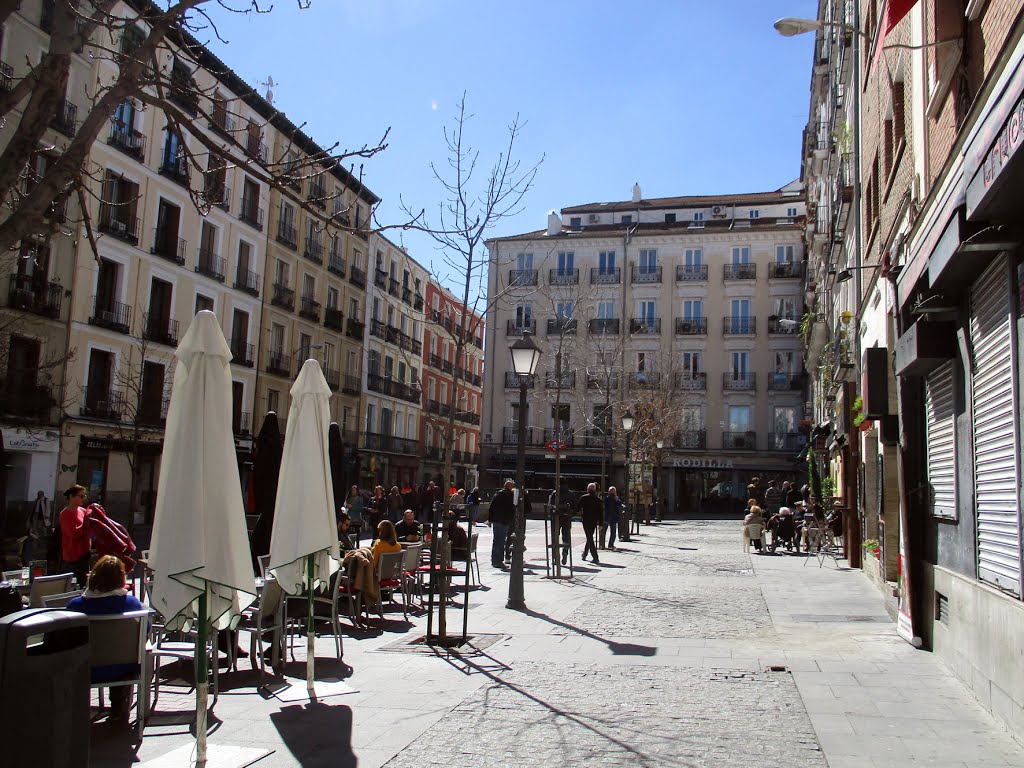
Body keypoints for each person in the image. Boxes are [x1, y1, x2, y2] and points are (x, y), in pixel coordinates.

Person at [67, 555, 145, 725]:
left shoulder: (75, 606)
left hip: (86, 668)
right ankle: (119, 702)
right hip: (124, 666)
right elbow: (143, 633)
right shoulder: (131, 605)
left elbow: (67, 637)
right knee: (122, 650)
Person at [60, 484, 92, 584]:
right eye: (81, 496)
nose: (83, 499)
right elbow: (72, 534)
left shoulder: (83, 511)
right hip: (72, 555)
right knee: (73, 584)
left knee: (84, 582)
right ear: (71, 497)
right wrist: (86, 525)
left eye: (84, 496)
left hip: (84, 552)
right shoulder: (65, 514)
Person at [489, 480, 515, 568]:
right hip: (505, 520)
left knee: (496, 540)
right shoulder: (511, 495)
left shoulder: (497, 494)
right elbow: (513, 508)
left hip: (496, 520)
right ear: (510, 487)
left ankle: (494, 559)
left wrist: (490, 519)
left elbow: (491, 506)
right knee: (501, 541)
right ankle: (499, 560)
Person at [577, 483, 602, 564]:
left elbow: (577, 508)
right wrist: (601, 523)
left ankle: (595, 557)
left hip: (586, 520)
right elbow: (601, 512)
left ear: (588, 489)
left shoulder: (584, 498)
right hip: (594, 521)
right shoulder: (598, 499)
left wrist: (570, 515)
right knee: (589, 537)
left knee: (590, 538)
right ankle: (585, 554)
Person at [23, 490, 49, 564]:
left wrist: (47, 516)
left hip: (42, 517)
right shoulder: (36, 501)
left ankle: (42, 543)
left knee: (42, 531)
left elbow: (47, 508)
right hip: (36, 518)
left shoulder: (45, 500)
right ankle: (35, 548)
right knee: (34, 535)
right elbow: (33, 509)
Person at [603, 486, 623, 551]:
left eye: (613, 492)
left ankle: (610, 544)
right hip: (607, 516)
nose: (613, 493)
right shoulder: (606, 498)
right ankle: (605, 544)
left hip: (612, 517)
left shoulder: (615, 499)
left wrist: (616, 499)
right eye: (612, 492)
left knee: (613, 532)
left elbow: (620, 504)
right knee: (605, 531)